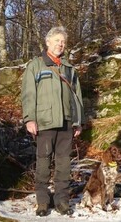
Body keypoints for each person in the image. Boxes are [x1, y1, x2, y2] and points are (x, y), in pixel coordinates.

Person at [21, 26, 84, 217]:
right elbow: (28, 95)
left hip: (66, 122)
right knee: (43, 164)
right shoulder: (35, 65)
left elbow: (77, 96)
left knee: (64, 165)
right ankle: (42, 202)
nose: (60, 44)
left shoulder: (69, 68)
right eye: (57, 40)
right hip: (44, 122)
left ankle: (62, 201)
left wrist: (78, 121)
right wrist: (30, 119)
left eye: (63, 41)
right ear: (48, 42)